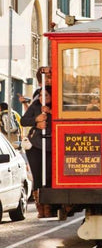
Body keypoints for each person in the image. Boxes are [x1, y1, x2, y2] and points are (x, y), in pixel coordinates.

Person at [20, 85, 53, 219]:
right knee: (38, 176)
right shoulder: (34, 106)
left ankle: (50, 206)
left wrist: (50, 112)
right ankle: (41, 208)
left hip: (52, 146)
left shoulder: (57, 107)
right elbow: (23, 121)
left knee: (50, 176)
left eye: (45, 95)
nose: (42, 98)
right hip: (35, 147)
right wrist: (36, 121)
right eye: (40, 95)